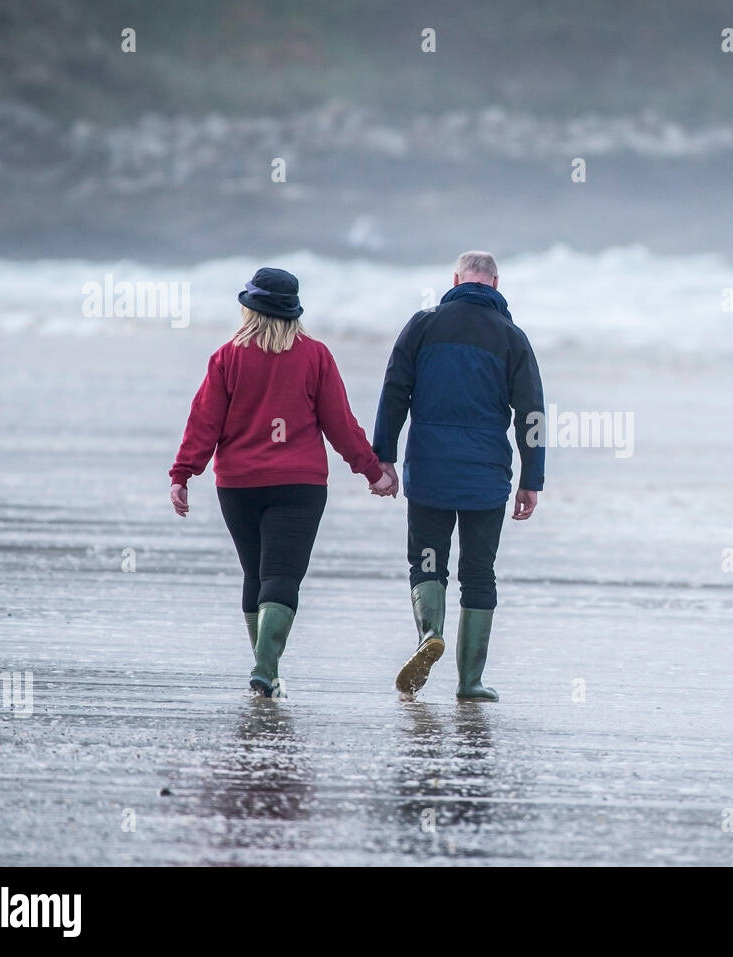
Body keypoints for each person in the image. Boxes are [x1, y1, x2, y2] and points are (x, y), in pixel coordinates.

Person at [169, 267, 394, 698]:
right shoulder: (315, 356)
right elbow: (340, 425)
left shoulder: (227, 357)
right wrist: (371, 470)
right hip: (299, 483)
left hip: (238, 484)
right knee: (282, 575)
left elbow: (203, 422)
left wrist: (183, 473)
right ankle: (265, 668)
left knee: (255, 575)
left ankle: (265, 671)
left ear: (248, 308)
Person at [372, 251, 545, 701]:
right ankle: (470, 682)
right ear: (495, 283)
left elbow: (394, 391)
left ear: (456, 279)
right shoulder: (512, 337)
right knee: (478, 572)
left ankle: (430, 634)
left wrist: (383, 456)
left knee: (427, 562)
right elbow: (531, 415)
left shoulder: (423, 325)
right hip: (486, 478)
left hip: (429, 470)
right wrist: (532, 478)